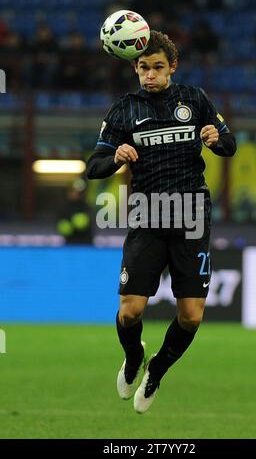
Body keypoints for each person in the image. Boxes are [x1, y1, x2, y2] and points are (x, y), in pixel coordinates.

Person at [86, 30, 236, 414]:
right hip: (148, 215)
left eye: (157, 68)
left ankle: (156, 371)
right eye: (142, 68)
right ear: (134, 68)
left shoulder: (194, 100)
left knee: (191, 315)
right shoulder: (124, 110)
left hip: (191, 217)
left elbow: (229, 143)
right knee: (130, 311)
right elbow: (94, 167)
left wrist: (214, 138)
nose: (149, 75)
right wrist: (116, 156)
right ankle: (134, 355)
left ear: (172, 67)